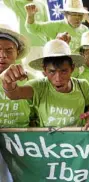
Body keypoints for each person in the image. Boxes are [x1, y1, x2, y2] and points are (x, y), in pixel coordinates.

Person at [1, 39, 89, 128]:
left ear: (72, 68)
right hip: (47, 143)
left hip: (77, 141)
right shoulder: (39, 86)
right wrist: (8, 83)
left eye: (64, 71)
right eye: (52, 72)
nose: (58, 78)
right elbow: (15, 94)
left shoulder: (82, 86)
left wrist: (88, 120)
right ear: (44, 70)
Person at [0, 23, 31, 182]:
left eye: (8, 50)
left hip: (26, 144)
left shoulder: (30, 79)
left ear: (17, 52)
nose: (2, 55)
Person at [3, 0, 48, 77]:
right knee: (29, 76)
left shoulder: (41, 4)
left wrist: (49, 44)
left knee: (50, 75)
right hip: (28, 46)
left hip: (44, 46)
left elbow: (47, 27)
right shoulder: (17, 3)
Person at [25, 0, 89, 53]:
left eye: (80, 15)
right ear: (66, 15)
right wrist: (30, 16)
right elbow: (33, 28)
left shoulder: (85, 30)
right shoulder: (56, 26)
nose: (77, 18)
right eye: (74, 15)